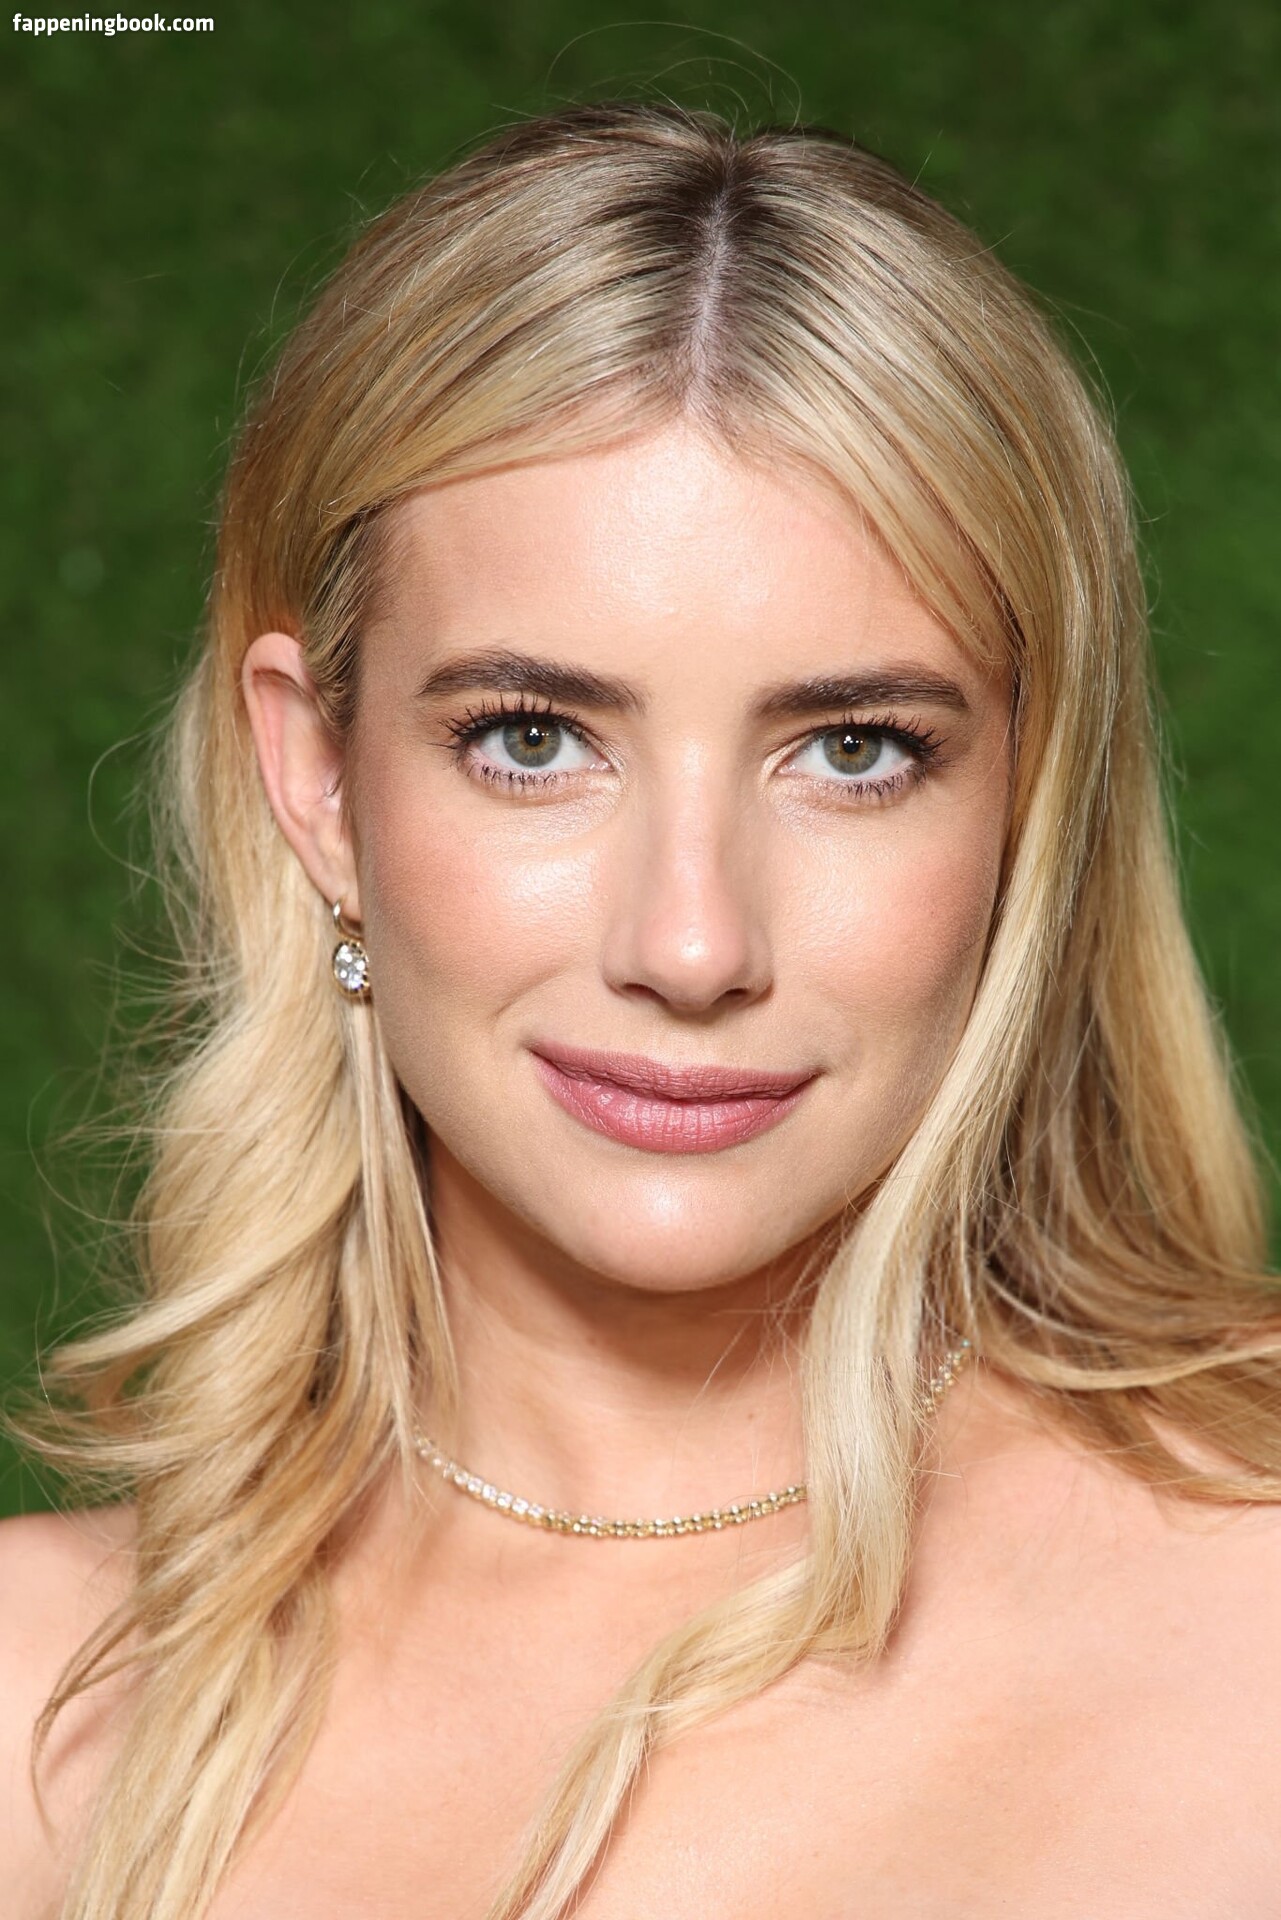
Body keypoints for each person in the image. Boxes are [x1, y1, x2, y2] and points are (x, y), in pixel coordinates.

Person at [3, 99, 1280, 1920]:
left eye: (855, 750)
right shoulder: (40, 1717)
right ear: (319, 781)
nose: (690, 945)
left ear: (1028, 801)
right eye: (532, 740)